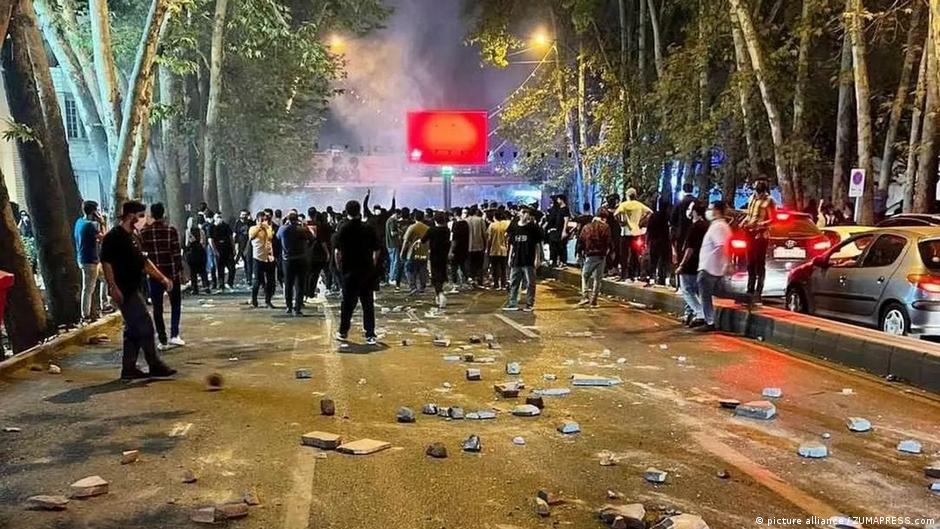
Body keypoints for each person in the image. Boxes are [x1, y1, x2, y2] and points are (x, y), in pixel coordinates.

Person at [100, 200, 177, 379]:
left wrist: (162, 278)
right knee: (145, 326)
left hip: (135, 287)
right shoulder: (114, 237)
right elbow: (106, 262)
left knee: (133, 329)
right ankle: (154, 363)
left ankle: (128, 368)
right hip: (124, 289)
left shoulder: (134, 236)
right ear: (131, 216)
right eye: (141, 215)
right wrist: (112, 286)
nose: (144, 219)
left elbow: (144, 262)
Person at [333, 200, 381, 345]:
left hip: (349, 272)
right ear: (359, 210)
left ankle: (343, 332)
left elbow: (336, 252)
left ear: (347, 211)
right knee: (368, 304)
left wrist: (340, 268)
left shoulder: (343, 229)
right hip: (366, 271)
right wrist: (372, 262)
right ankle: (370, 334)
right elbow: (377, 249)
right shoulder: (368, 228)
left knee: (347, 304)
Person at [140, 203, 185, 349]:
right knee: (175, 305)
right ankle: (174, 335)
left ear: (152, 215)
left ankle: (162, 339)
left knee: (157, 308)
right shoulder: (170, 231)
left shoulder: (144, 232)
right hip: (171, 274)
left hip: (154, 276)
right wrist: (180, 272)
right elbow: (176, 253)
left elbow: (144, 257)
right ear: (163, 214)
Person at [696, 201, 733, 333]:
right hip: (711, 266)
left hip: (710, 267)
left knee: (705, 295)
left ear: (717, 211)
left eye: (710, 208)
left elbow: (723, 245)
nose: (708, 211)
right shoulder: (718, 226)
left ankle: (709, 321)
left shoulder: (719, 227)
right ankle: (708, 320)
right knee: (716, 293)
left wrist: (728, 263)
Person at [742, 177, 776, 304]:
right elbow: (749, 215)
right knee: (750, 263)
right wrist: (744, 222)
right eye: (756, 191)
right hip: (749, 233)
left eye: (759, 192)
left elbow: (773, 219)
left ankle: (758, 292)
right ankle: (749, 290)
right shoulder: (751, 198)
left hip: (760, 235)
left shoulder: (769, 201)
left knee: (759, 264)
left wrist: (759, 225)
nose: (757, 194)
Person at [676, 200, 709, 327]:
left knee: (686, 290)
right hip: (702, 263)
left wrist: (682, 265)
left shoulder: (695, 227)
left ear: (694, 212)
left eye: (690, 209)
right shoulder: (707, 226)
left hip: (691, 263)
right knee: (695, 290)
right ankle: (690, 314)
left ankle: (700, 313)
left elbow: (690, 249)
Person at [504, 207, 543, 312]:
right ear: (520, 214)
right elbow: (511, 243)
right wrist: (509, 257)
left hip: (529, 259)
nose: (526, 215)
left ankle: (529, 304)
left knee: (530, 283)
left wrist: (537, 258)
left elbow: (537, 245)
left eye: (527, 213)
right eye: (524, 212)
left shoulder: (533, 228)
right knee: (514, 282)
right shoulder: (514, 226)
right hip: (517, 259)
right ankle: (512, 303)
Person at [277, 211, 313, 315]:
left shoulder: (283, 229)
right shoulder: (302, 229)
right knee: (300, 284)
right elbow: (312, 238)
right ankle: (298, 308)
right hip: (301, 258)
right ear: (297, 219)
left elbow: (277, 238)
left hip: (287, 260)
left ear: (288, 219)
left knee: (288, 283)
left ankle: (288, 306)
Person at [74, 200, 104, 322]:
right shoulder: (91, 225)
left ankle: (104, 303)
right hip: (90, 260)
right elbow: (103, 238)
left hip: (82, 258)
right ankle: (86, 314)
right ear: (94, 211)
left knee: (105, 278)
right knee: (88, 289)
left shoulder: (79, 222)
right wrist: (102, 222)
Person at [614, 188, 652, 281]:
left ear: (627, 196)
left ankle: (624, 275)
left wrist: (620, 222)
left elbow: (615, 214)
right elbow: (650, 212)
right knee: (635, 254)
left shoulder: (624, 205)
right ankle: (633, 275)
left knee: (624, 254)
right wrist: (642, 221)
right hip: (636, 233)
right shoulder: (639, 205)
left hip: (625, 232)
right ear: (635, 195)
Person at [577, 208, 612, 307]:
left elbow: (581, 241)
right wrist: (608, 252)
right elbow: (609, 242)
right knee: (597, 278)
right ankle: (594, 301)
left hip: (590, 255)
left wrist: (579, 253)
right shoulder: (606, 227)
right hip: (601, 255)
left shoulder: (587, 227)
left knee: (585, 276)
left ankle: (585, 296)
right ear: (604, 218)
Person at [249, 211, 276, 308]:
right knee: (257, 281)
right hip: (258, 257)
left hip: (268, 257)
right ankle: (254, 299)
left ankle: (268, 300)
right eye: (262, 219)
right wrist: (259, 226)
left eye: (265, 219)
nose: (264, 221)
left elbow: (270, 237)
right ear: (257, 220)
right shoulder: (253, 228)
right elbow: (251, 236)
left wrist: (266, 227)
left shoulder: (268, 228)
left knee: (270, 281)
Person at [425, 211, 451, 310]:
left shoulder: (432, 230)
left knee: (435, 276)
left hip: (434, 256)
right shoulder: (446, 230)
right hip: (444, 256)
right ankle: (439, 295)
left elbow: (424, 240)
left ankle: (440, 294)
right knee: (441, 274)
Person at [401, 210, 430, 295]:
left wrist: (402, 252)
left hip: (412, 252)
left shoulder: (412, 227)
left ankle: (413, 287)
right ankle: (422, 287)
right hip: (424, 252)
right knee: (422, 270)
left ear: (414, 217)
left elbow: (406, 241)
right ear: (423, 217)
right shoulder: (427, 228)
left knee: (409, 269)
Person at [646, 196, 672, 286]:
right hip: (665, 241)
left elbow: (649, 229)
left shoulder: (654, 215)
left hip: (654, 241)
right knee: (664, 261)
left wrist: (647, 241)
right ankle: (663, 278)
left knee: (653, 260)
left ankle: (652, 278)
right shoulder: (667, 216)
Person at [208, 213, 236, 290]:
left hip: (228, 249)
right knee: (220, 268)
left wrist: (233, 249)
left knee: (232, 268)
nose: (219, 218)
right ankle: (221, 284)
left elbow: (231, 238)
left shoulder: (226, 226)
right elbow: (210, 240)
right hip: (218, 250)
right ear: (214, 218)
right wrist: (215, 251)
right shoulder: (211, 227)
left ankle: (230, 283)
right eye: (217, 217)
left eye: (220, 217)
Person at [487, 210, 511, 289]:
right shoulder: (506, 224)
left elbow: (489, 239)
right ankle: (503, 284)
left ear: (494, 217)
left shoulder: (492, 225)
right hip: (504, 249)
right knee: (503, 268)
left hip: (494, 249)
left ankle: (496, 283)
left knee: (495, 268)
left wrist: (488, 248)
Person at [545, 194, 571, 267]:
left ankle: (563, 261)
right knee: (554, 245)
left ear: (561, 199)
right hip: (556, 230)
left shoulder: (565, 209)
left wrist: (564, 231)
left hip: (561, 230)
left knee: (561, 246)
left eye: (558, 199)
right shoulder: (557, 209)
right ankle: (554, 260)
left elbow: (566, 220)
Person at [185, 225, 210, 295]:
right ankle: (206, 286)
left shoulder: (188, 232)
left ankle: (195, 289)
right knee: (203, 271)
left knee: (193, 273)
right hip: (200, 252)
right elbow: (203, 242)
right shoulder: (201, 231)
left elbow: (187, 243)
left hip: (192, 253)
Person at [450, 208, 470, 289]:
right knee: (463, 265)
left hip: (456, 248)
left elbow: (454, 238)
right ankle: (466, 281)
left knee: (454, 267)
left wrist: (451, 250)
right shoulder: (465, 223)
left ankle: (455, 283)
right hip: (465, 247)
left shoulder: (455, 224)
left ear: (455, 214)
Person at [467, 207, 487, 286]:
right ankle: (479, 280)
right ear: (476, 211)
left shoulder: (466, 220)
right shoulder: (480, 220)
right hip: (479, 245)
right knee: (479, 264)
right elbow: (484, 233)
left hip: (468, 246)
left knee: (470, 264)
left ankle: (471, 279)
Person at [234, 209, 254, 286]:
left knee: (249, 262)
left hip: (249, 245)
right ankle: (247, 277)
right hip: (240, 245)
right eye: (242, 215)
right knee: (243, 262)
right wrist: (235, 246)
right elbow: (235, 234)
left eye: (245, 215)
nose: (243, 216)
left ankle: (249, 279)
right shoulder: (237, 223)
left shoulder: (251, 223)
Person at [385, 208, 402, 286]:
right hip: (393, 244)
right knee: (395, 262)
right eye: (399, 216)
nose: (399, 218)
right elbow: (392, 233)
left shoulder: (388, 220)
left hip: (389, 244)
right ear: (396, 214)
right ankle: (392, 278)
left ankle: (391, 277)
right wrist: (399, 232)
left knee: (392, 261)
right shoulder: (392, 221)